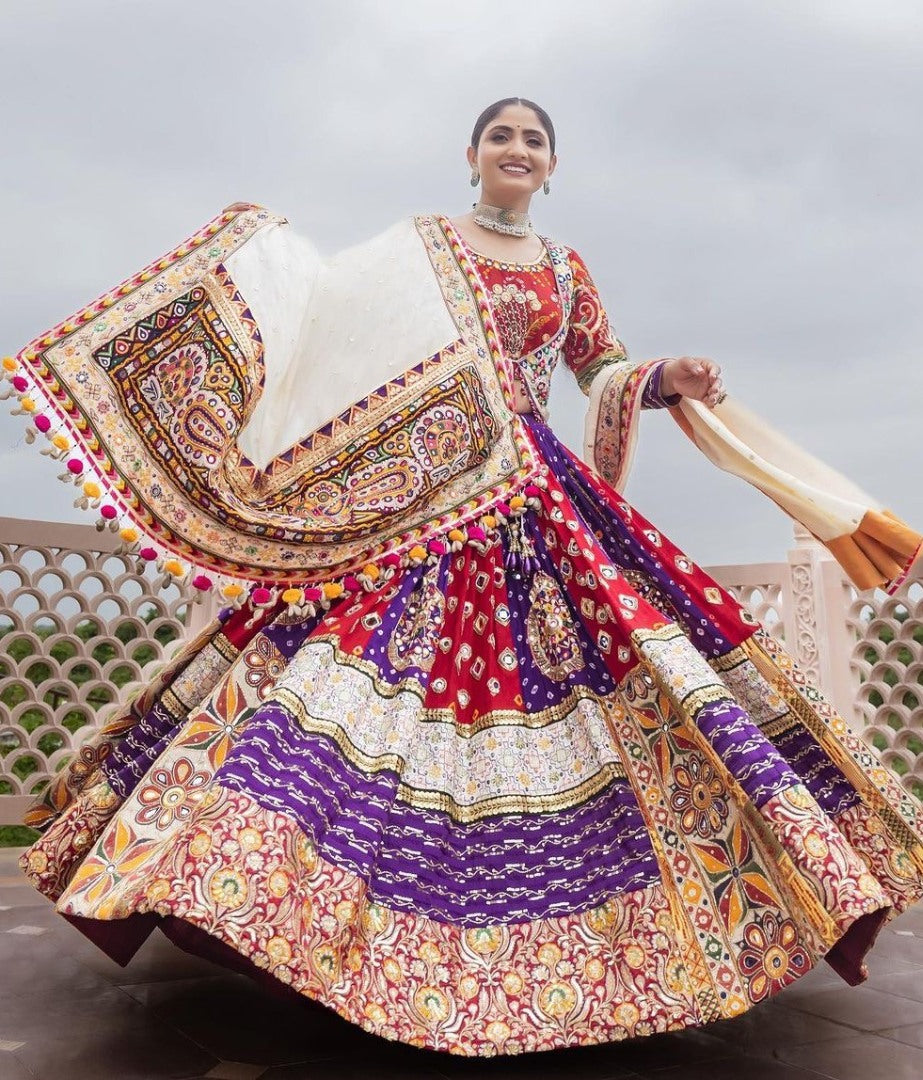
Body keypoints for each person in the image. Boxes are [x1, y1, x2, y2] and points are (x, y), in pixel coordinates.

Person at [8, 97, 923, 1058]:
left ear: (551, 165)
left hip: (535, 493)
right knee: (335, 668)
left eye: (534, 140)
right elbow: (337, 322)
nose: (516, 150)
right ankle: (290, 913)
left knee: (626, 675)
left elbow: (598, 370)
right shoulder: (420, 246)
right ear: (472, 155)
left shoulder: (567, 269)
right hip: (427, 487)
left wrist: (664, 377)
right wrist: (264, 271)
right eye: (501, 136)